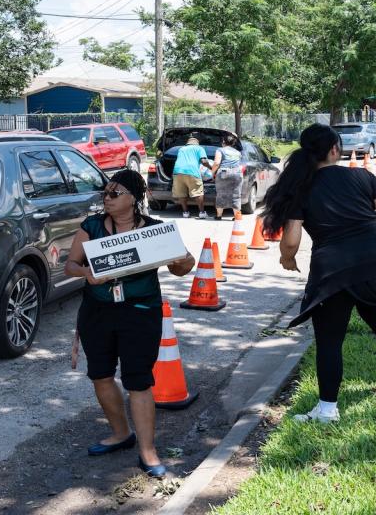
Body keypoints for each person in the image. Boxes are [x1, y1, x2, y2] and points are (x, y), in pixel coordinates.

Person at [263, 123, 376, 423]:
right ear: (334, 150)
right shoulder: (362, 175)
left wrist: (287, 259)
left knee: (329, 338)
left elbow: (290, 240)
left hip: (335, 269)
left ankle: (327, 410)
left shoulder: (301, 187)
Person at [64, 169, 196, 478]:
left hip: (140, 311)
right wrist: (86, 273)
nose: (106, 198)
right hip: (97, 312)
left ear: (133, 199)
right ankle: (121, 433)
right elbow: (70, 264)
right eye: (105, 193)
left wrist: (183, 261)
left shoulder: (154, 232)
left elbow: (181, 268)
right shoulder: (92, 226)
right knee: (100, 374)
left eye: (114, 194)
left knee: (139, 380)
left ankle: (148, 452)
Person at [172, 136, 212, 219]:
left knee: (181, 193)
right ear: (197, 143)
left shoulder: (182, 149)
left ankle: (185, 212)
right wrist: (212, 168)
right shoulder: (199, 148)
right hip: (192, 171)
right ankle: (201, 212)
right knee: (198, 192)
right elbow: (204, 161)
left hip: (177, 171)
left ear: (187, 143)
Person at [211, 135, 243, 221]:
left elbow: (217, 163)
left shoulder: (220, 150)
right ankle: (237, 216)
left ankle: (219, 216)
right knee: (236, 195)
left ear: (223, 142)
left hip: (224, 173)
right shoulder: (238, 152)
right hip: (237, 172)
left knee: (221, 194)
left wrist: (212, 172)